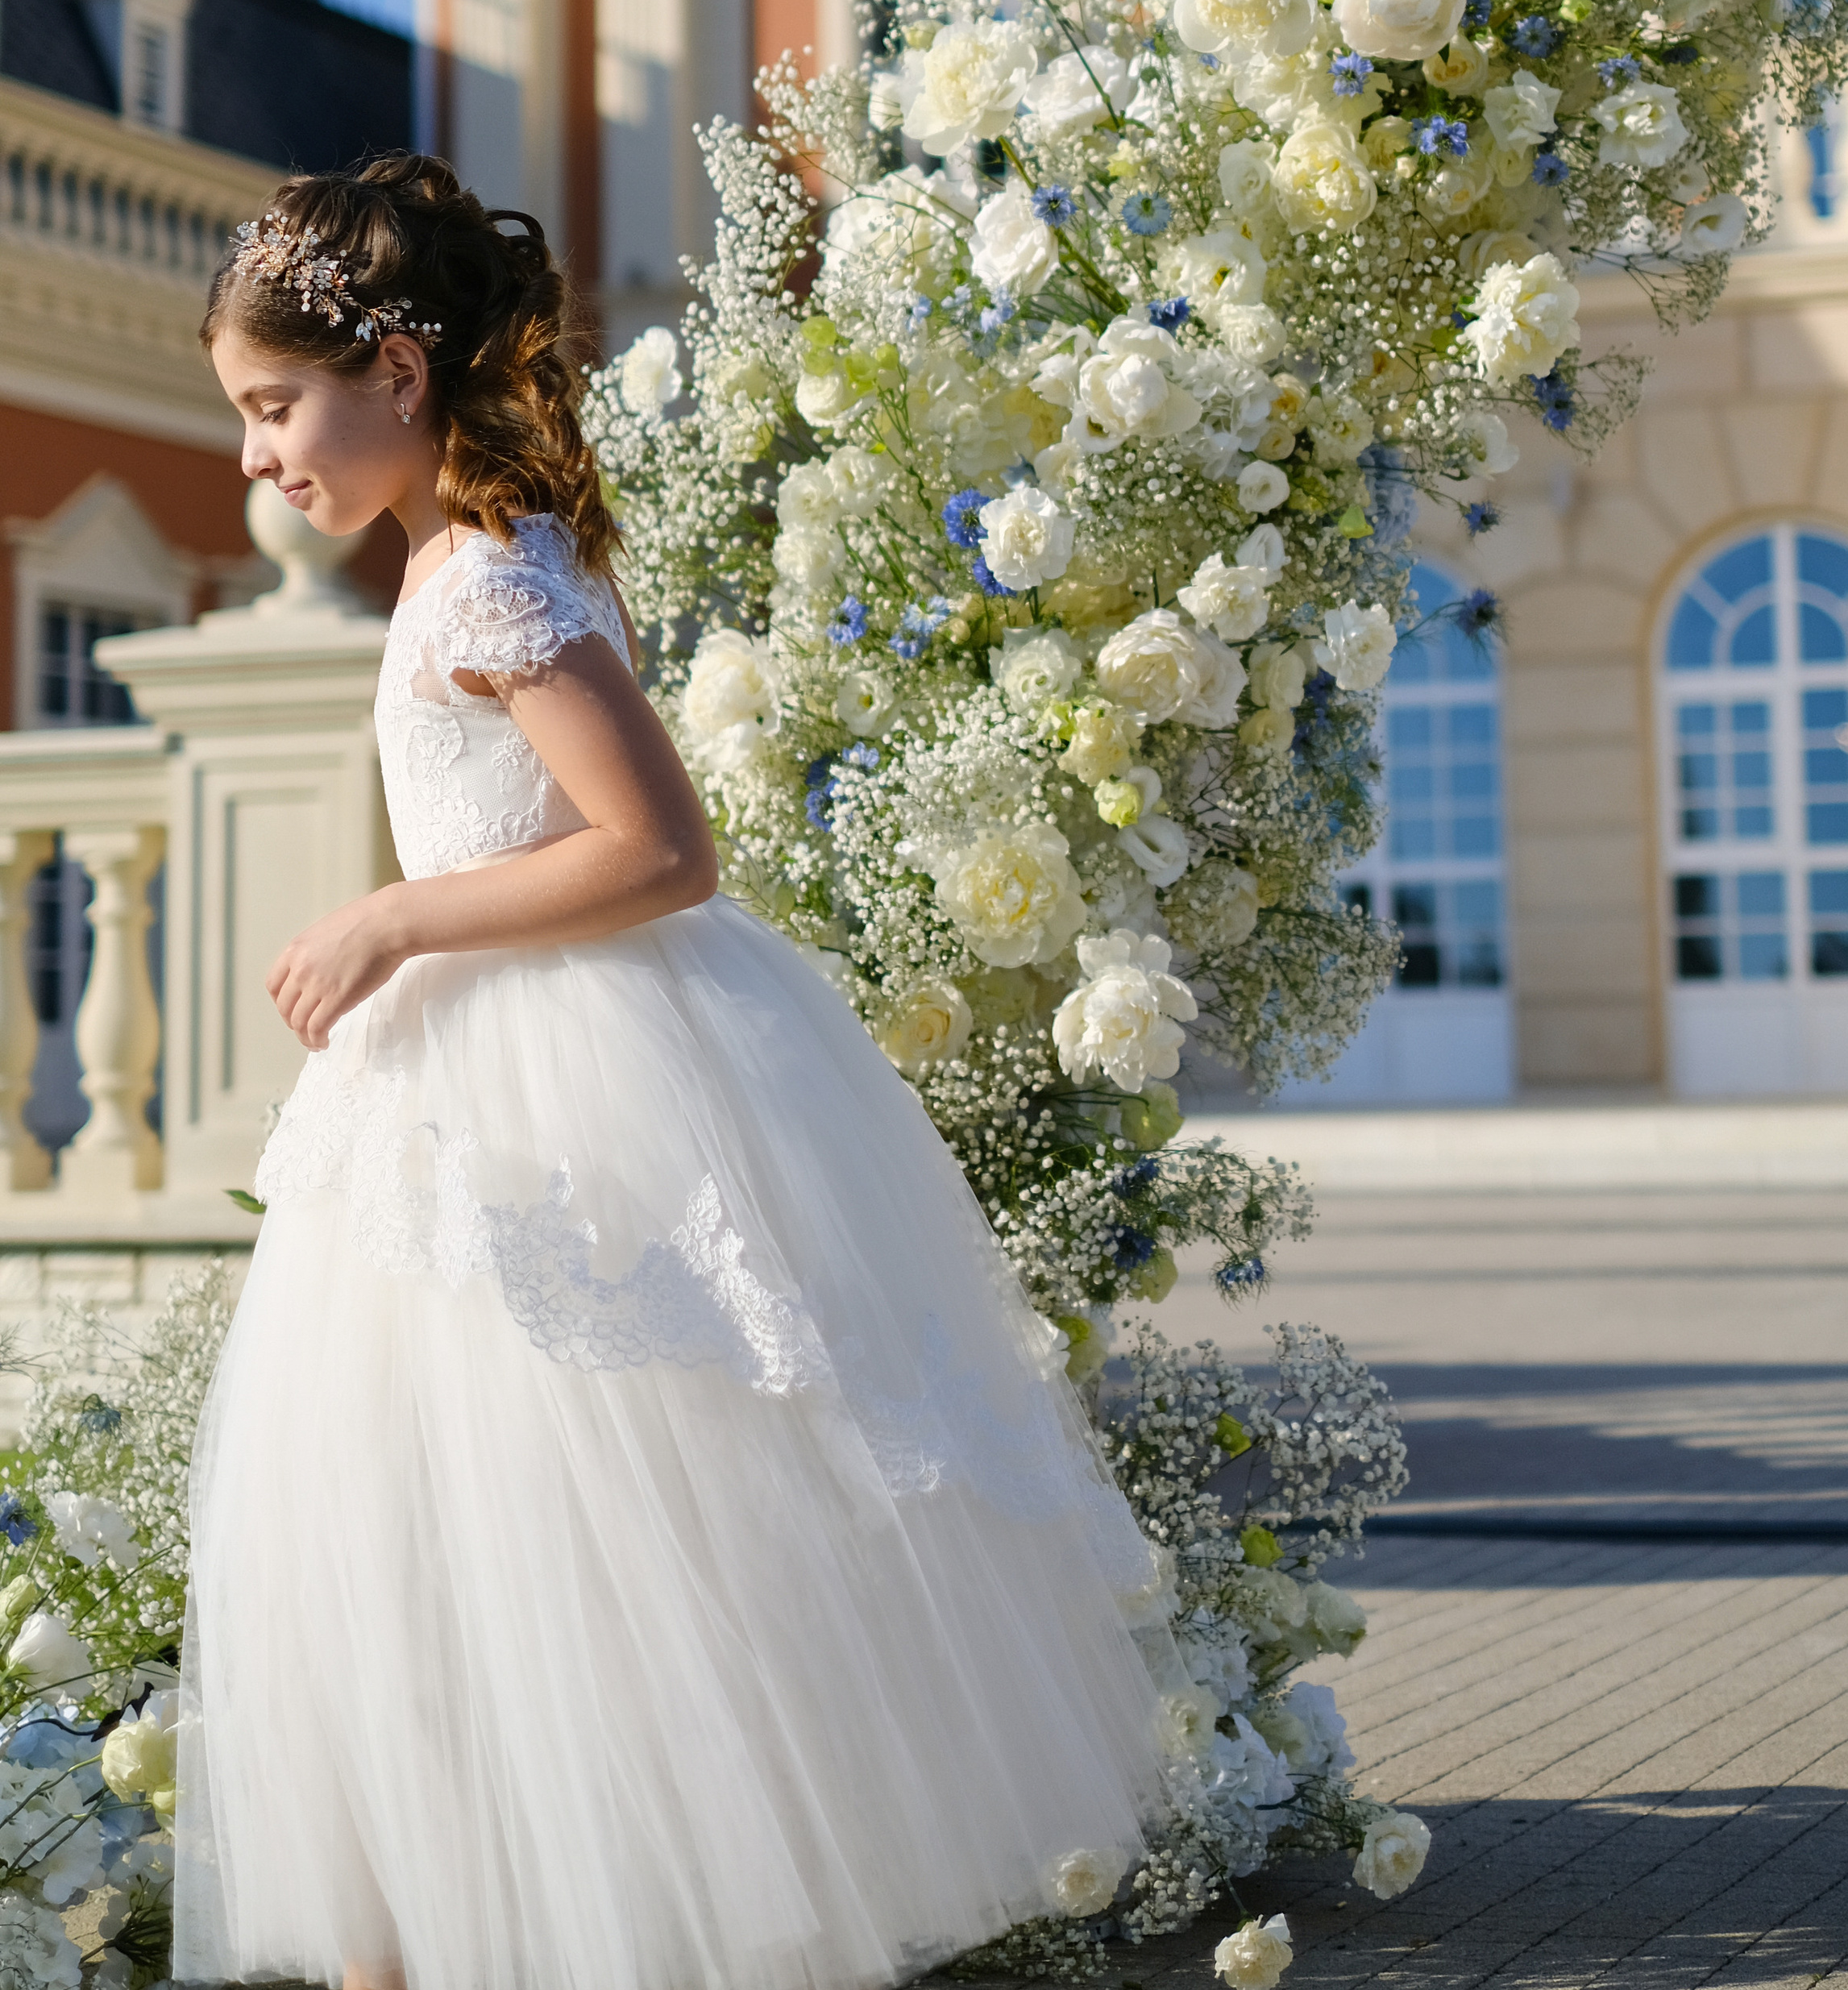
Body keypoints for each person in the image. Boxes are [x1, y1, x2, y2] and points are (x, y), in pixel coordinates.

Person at [175, 152, 1172, 1990]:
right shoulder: (471, 562)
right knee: (429, 1557)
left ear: (395, 374)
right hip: (473, 1097)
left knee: (551, 1550)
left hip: (550, 1095)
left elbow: (658, 849)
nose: (255, 457)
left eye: (270, 405)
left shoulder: (483, 578)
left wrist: (397, 921)